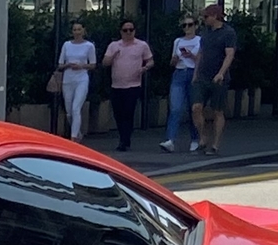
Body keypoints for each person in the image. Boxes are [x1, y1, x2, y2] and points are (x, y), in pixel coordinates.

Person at [194, 2, 239, 154]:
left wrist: (221, 72)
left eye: (206, 16)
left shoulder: (228, 32)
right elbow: (201, 52)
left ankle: (215, 144)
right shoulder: (206, 32)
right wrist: (196, 73)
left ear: (215, 16)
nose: (204, 19)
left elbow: (229, 54)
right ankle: (203, 137)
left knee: (217, 111)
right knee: (196, 107)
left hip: (218, 76)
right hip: (203, 75)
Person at [103, 20, 153, 152]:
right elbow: (105, 62)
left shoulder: (142, 45)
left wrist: (145, 68)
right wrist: (113, 56)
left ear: (135, 31)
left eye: (131, 30)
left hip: (133, 84)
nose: (128, 33)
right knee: (118, 114)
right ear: (121, 32)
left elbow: (150, 60)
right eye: (125, 30)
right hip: (117, 85)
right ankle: (123, 136)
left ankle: (124, 141)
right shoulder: (114, 45)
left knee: (128, 113)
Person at [162, 19, 202, 151]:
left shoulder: (200, 40)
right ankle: (170, 140)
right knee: (175, 108)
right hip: (179, 72)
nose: (187, 27)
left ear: (196, 26)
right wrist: (175, 59)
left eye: (190, 25)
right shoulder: (178, 41)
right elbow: (172, 62)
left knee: (193, 109)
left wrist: (191, 55)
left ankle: (195, 139)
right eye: (184, 25)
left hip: (193, 73)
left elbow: (201, 60)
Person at [55, 20, 97, 142]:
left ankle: (73, 138)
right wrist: (68, 65)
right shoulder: (67, 45)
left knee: (75, 108)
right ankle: (77, 132)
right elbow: (60, 64)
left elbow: (93, 64)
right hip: (68, 79)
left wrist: (82, 66)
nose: (77, 32)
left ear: (83, 31)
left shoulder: (89, 46)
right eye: (75, 30)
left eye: (79, 29)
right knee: (69, 111)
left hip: (81, 79)